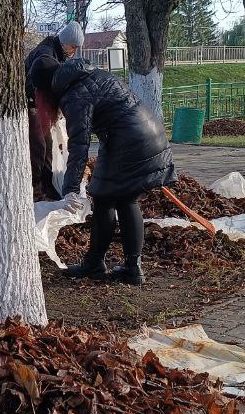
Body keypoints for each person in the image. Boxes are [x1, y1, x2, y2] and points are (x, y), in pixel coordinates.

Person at [34, 56, 175, 285]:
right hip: (146, 133)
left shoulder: (74, 94)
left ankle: (105, 265)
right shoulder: (87, 74)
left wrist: (70, 189)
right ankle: (123, 266)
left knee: (112, 198)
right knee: (114, 197)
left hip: (130, 140)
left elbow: (79, 145)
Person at [24, 21, 84, 199]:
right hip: (31, 103)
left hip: (40, 104)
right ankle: (35, 191)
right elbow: (36, 83)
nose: (74, 51)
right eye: (73, 47)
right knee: (38, 146)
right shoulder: (46, 54)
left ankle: (48, 186)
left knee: (48, 145)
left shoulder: (58, 53)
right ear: (65, 42)